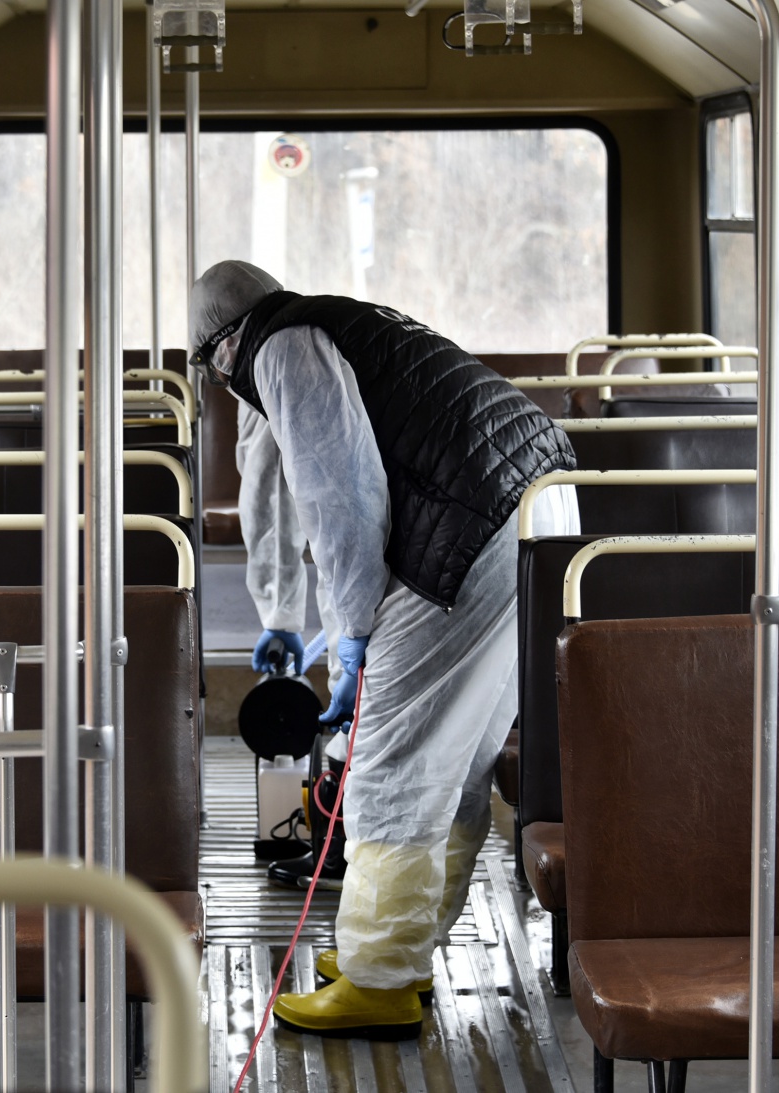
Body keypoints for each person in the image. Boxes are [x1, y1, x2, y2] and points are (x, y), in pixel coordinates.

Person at [191, 259, 579, 1039]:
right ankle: (403, 949)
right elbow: (269, 485)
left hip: (475, 528)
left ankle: (378, 979)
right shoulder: (322, 327)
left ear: (219, 345)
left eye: (208, 366)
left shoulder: (283, 348)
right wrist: (281, 616)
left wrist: (352, 635)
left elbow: (343, 498)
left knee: (390, 761)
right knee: (456, 753)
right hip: (539, 506)